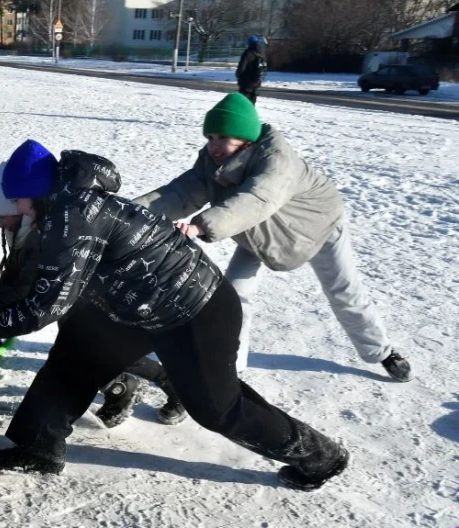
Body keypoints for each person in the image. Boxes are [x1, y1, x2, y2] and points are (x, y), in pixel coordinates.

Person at [0, 139, 349, 492]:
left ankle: (320, 456)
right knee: (77, 352)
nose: (21, 210)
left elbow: (48, 303)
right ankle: (38, 448)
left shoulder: (72, 216)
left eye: (20, 201)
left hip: (195, 310)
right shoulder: (71, 205)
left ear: (36, 192)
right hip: (134, 306)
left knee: (218, 407)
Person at [133, 93, 412, 383]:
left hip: (317, 227)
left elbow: (258, 198)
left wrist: (200, 226)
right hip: (260, 233)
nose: (215, 145)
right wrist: (127, 214)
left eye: (224, 137)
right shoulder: (211, 163)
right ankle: (233, 366)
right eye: (211, 136)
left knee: (344, 291)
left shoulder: (277, 159)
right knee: (235, 295)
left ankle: (382, 352)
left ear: (247, 139)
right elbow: (180, 193)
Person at [0, 163, 187, 428]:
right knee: (85, 350)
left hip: (98, 294)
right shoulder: (21, 228)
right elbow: (15, 276)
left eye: (3, 215)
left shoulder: (39, 232)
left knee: (98, 347)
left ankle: (168, 382)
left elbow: (25, 285)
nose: (0, 223)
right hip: (69, 297)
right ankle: (122, 386)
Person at [236, 35, 267, 104]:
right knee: (252, 103)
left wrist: (238, 76)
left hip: (246, 83)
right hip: (256, 83)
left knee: (243, 103)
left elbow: (241, 68)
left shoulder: (248, 53)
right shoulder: (262, 54)